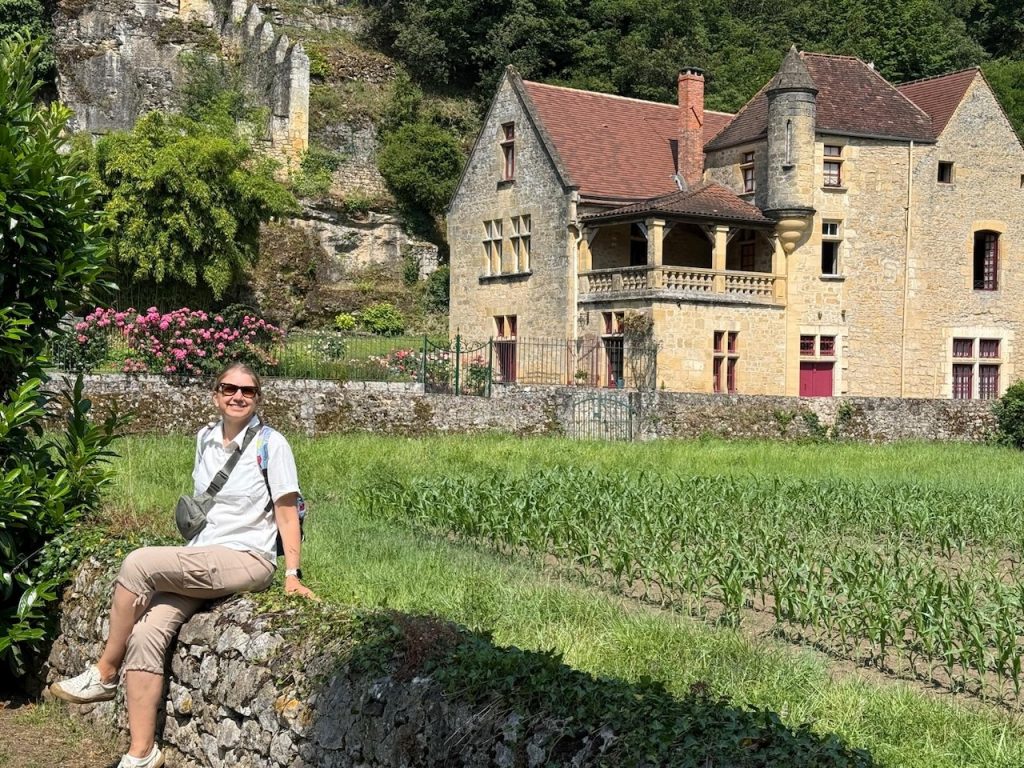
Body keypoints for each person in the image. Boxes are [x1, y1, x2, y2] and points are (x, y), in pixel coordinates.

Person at [50, 362, 315, 768]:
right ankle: (142, 753)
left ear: (258, 398)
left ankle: (103, 673)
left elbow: (286, 511)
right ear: (216, 394)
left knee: (137, 563)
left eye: (248, 390)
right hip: (204, 556)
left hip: (247, 559)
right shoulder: (205, 438)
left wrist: (292, 576)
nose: (238, 396)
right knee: (146, 633)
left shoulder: (270, 443)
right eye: (229, 388)